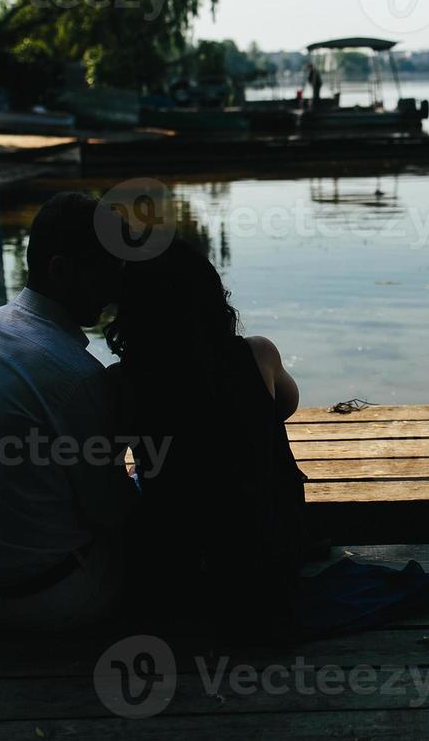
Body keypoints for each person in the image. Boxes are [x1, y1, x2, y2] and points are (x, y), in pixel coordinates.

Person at [0, 192, 138, 631]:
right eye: (106, 271)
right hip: (55, 600)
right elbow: (111, 514)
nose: (115, 289)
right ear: (60, 270)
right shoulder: (75, 376)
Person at [106, 238, 310, 637]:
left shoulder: (121, 382)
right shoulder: (259, 355)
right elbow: (283, 408)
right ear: (217, 300)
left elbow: (107, 458)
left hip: (183, 554)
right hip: (269, 541)